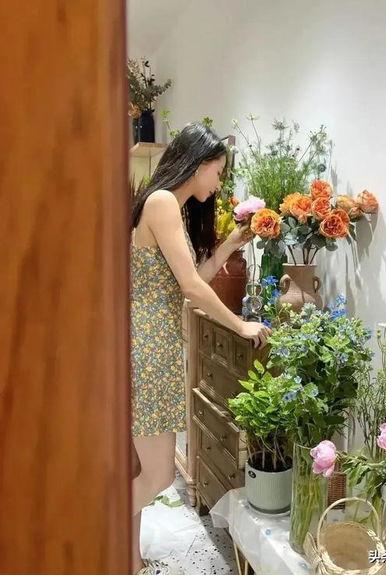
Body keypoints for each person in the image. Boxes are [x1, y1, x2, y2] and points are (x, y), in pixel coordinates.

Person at [130, 123, 271, 575]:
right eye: (218, 171)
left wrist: (231, 243)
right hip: (148, 347)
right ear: (198, 164)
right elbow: (191, 287)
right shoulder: (161, 202)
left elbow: (194, 277)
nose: (219, 182)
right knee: (158, 474)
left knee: (141, 470)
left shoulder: (167, 205)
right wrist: (240, 324)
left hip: (155, 343)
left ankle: (127, 560)